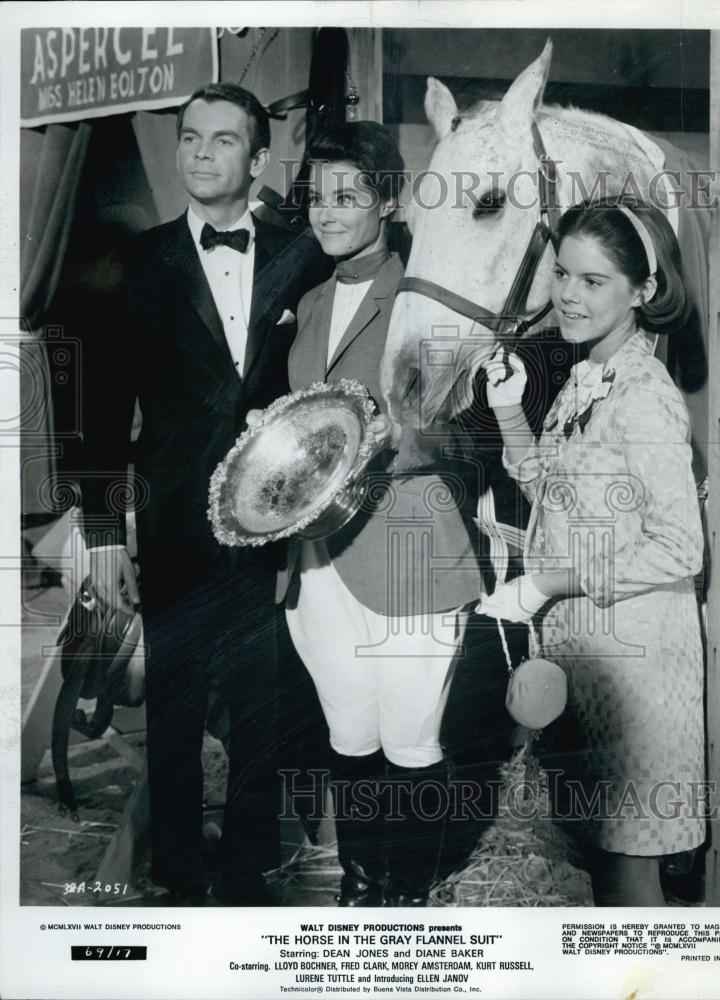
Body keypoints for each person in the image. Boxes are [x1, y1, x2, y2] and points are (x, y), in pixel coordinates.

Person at [80, 82, 326, 904]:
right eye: (190, 137)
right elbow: (102, 407)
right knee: (176, 700)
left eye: (223, 140)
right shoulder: (136, 260)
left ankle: (252, 868)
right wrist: (105, 537)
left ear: (258, 160)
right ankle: (178, 871)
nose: (200, 154)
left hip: (276, 520)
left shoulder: (304, 254)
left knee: (263, 702)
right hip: (172, 519)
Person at [268, 121, 483, 907]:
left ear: (389, 202)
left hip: (409, 542)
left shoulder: (426, 298)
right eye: (316, 196)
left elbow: (469, 432)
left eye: (346, 195)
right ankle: (361, 885)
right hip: (318, 558)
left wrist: (401, 435)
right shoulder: (308, 302)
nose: (325, 212)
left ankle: (408, 892)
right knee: (348, 732)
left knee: (411, 738)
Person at [478, 198, 705, 906]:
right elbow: (553, 495)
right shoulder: (587, 377)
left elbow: (680, 548)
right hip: (585, 654)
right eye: (562, 273)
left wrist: (546, 582)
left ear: (643, 291)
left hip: (636, 665)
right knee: (598, 866)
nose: (569, 295)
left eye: (594, 281)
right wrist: (511, 412)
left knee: (628, 869)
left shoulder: (645, 394)